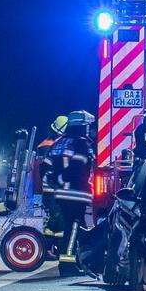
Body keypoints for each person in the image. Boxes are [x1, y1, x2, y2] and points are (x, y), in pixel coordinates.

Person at [42, 111, 96, 263]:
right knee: (73, 229)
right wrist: (63, 179)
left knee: (72, 228)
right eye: (87, 126)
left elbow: (45, 168)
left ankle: (80, 262)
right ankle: (68, 264)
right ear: (82, 126)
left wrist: (56, 182)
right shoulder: (81, 144)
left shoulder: (58, 143)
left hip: (61, 194)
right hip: (76, 193)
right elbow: (77, 168)